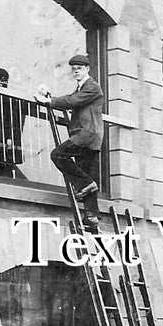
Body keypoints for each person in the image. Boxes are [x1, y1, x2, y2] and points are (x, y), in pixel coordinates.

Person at [35, 54, 104, 231]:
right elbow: (72, 99)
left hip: (86, 134)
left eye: (79, 68)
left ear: (87, 69)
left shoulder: (92, 87)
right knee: (87, 174)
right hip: (89, 136)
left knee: (57, 155)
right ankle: (91, 216)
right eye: (73, 69)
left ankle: (86, 186)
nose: (76, 72)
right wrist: (50, 97)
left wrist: (49, 102)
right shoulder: (82, 88)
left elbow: (73, 101)